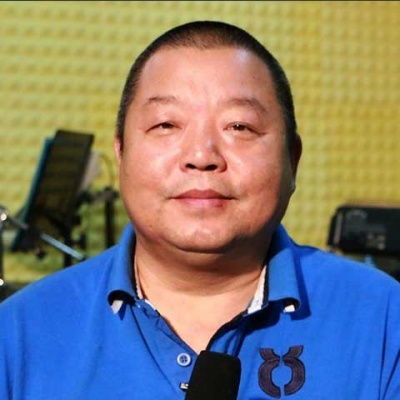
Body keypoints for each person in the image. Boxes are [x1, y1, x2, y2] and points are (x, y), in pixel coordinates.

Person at [0, 20, 399, 400]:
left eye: (239, 127)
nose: (201, 156)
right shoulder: (18, 333)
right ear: (121, 154)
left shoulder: (384, 321)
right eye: (166, 125)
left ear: (292, 160)